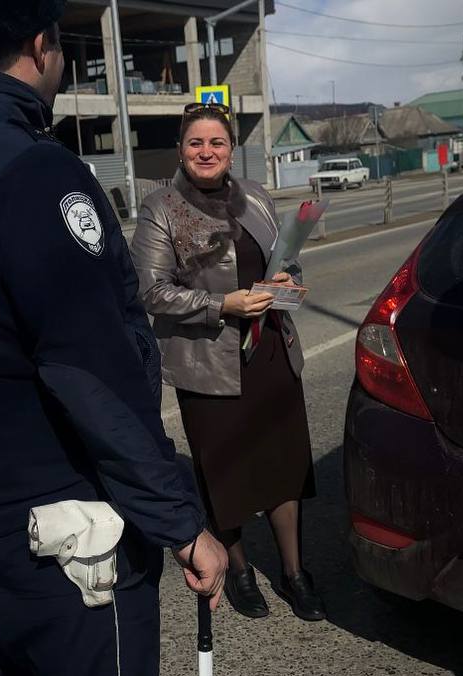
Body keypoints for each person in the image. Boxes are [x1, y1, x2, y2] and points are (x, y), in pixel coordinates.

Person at [0, 3, 228, 676]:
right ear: (40, 45)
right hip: (63, 532)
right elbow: (94, 376)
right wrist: (181, 526)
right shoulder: (36, 173)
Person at [129, 104, 326, 622]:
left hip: (271, 352)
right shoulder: (161, 208)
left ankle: (295, 571)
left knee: (284, 467)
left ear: (230, 149)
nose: (207, 152)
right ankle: (238, 570)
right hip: (208, 367)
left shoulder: (256, 197)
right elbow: (150, 291)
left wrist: (288, 281)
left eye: (216, 142)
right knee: (227, 472)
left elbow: (286, 258)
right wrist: (223, 305)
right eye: (196, 143)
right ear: (180, 150)